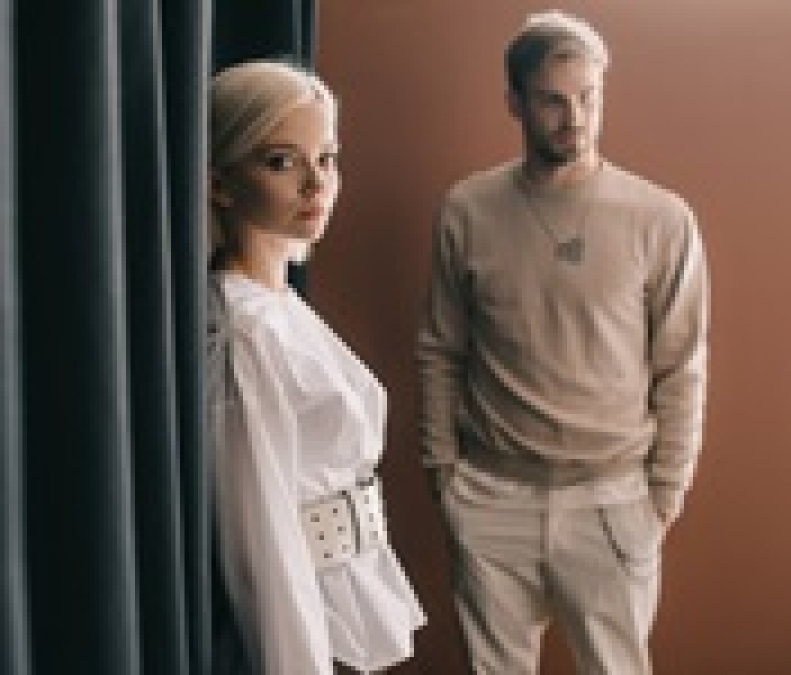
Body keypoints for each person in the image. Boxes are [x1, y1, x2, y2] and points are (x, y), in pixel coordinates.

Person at [416, 11, 709, 674]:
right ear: (515, 102)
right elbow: (440, 348)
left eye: (589, 97)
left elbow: (682, 365)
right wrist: (443, 475)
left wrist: (663, 495)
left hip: (612, 499)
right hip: (491, 496)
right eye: (552, 100)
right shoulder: (467, 209)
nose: (574, 118)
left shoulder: (660, 219)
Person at [205, 60, 425, 675]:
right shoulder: (245, 327)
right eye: (281, 162)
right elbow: (260, 537)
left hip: (350, 593)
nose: (315, 183)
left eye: (326, 159)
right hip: (308, 613)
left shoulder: (281, 307)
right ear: (221, 183)